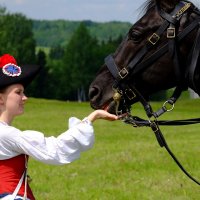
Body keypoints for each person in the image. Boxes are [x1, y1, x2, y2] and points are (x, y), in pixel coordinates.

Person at [0, 54, 118, 200]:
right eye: (18, 92)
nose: (25, 98)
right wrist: (91, 118)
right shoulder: (6, 134)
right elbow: (55, 150)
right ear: (0, 98)